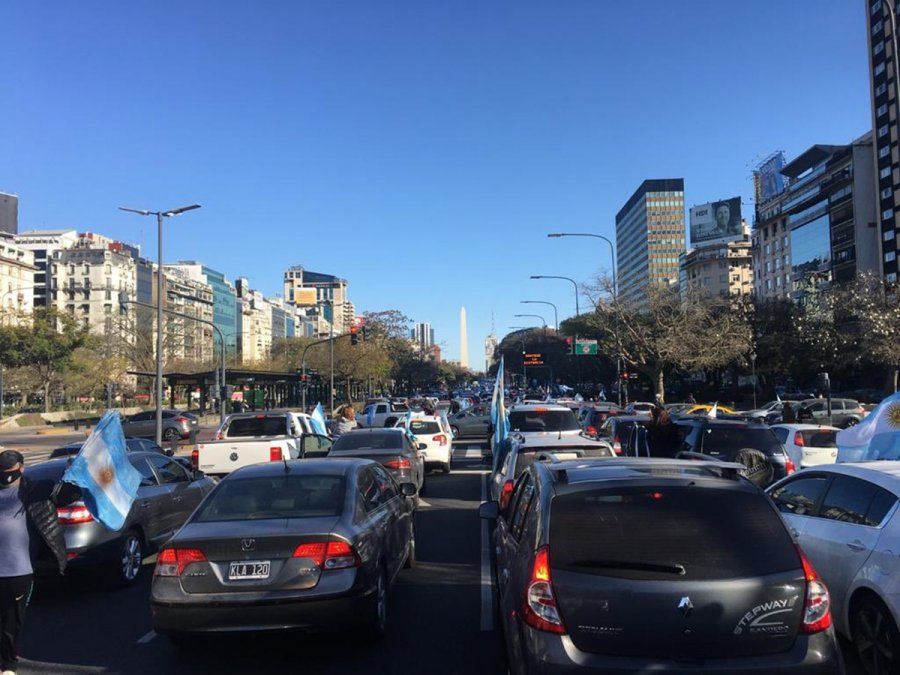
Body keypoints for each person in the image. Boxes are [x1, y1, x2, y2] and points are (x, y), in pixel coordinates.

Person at [0, 449, 78, 675]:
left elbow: (67, 496)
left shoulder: (37, 490)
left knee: (11, 622)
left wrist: (74, 476)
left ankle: (8, 665)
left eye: (10, 471)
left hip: (19, 570)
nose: (6, 476)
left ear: (21, 468)